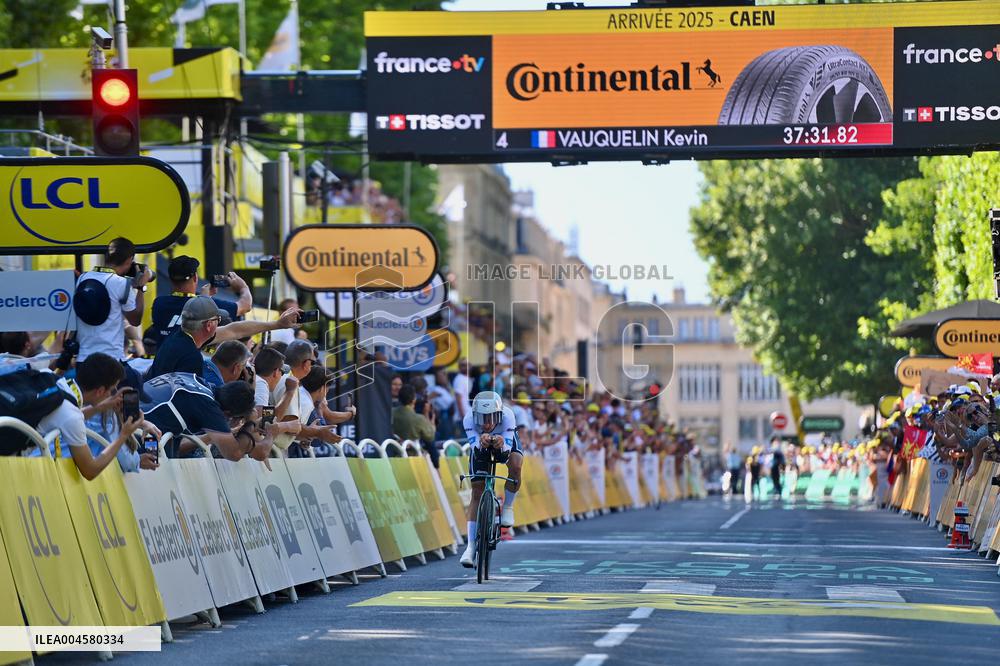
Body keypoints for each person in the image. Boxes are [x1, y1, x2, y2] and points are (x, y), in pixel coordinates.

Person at [26, 359, 143, 480]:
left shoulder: (49, 376)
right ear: (100, 391)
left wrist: (102, 406)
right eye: (111, 390)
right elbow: (90, 471)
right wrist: (124, 435)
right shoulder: (72, 416)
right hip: (29, 471)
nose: (110, 395)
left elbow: (63, 415)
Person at [147, 297, 300, 380]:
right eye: (218, 319)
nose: (220, 323)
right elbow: (188, 402)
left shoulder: (182, 335)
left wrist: (277, 324)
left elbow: (235, 330)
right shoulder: (191, 357)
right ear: (208, 325)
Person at [141, 372, 272, 461]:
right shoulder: (209, 406)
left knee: (167, 459)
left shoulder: (198, 381)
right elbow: (234, 453)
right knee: (152, 468)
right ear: (227, 414)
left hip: (136, 422)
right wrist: (250, 424)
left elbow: (177, 447)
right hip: (145, 435)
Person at [459, 390, 523, 569]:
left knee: (516, 466)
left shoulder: (508, 417)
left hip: (505, 439)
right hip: (480, 444)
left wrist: (501, 443)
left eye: (492, 417)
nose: (487, 423)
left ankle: (508, 506)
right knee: (477, 491)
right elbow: (477, 452)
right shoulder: (468, 419)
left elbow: (504, 455)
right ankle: (471, 547)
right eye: (482, 418)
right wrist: (481, 442)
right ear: (474, 416)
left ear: (500, 415)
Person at [74, 237, 151, 362]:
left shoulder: (83, 278)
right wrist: (141, 288)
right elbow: (135, 320)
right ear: (129, 260)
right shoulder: (121, 283)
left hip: (83, 359)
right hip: (111, 359)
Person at [147, 255, 252, 347]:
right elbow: (246, 306)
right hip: (192, 362)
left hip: (163, 361)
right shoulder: (208, 305)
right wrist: (243, 287)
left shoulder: (159, 303)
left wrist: (205, 299)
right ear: (195, 278)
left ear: (170, 279)